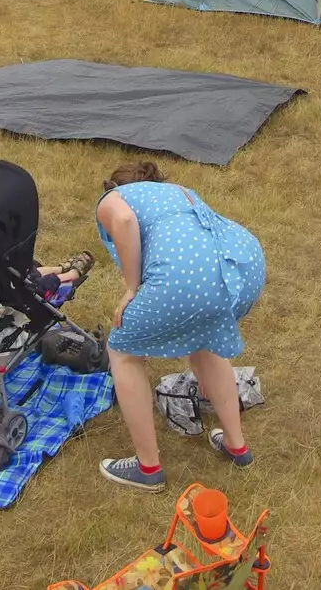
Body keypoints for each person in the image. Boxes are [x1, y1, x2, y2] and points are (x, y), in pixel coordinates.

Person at [94, 162, 266, 493]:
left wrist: (132, 288)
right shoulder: (179, 192)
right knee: (206, 340)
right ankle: (236, 446)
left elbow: (125, 220)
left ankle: (148, 469)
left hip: (192, 277)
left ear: (112, 187)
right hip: (244, 265)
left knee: (122, 352)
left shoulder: (113, 199)